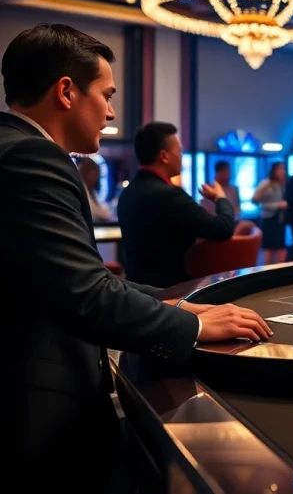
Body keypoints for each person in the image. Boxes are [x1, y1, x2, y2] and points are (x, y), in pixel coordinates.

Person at [0, 24, 270, 489]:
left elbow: (70, 276)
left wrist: (179, 303)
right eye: (106, 94)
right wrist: (198, 325)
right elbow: (84, 295)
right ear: (66, 92)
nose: (110, 111)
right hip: (35, 412)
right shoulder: (32, 159)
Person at [117, 122, 237, 287]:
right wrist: (221, 198)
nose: (181, 156)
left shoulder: (129, 192)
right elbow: (223, 228)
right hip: (170, 293)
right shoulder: (169, 195)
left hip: (137, 289)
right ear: (164, 156)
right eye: (179, 151)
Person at [253, 161, 288, 265]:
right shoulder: (266, 183)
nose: (282, 172)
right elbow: (255, 199)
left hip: (280, 219)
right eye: (280, 169)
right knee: (269, 248)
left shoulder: (283, 184)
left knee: (281, 246)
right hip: (268, 218)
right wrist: (277, 205)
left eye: (283, 169)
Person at [77, 155, 113, 222]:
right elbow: (92, 212)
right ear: (87, 172)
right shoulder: (79, 188)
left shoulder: (91, 190)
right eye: (95, 173)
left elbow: (103, 212)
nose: (96, 177)